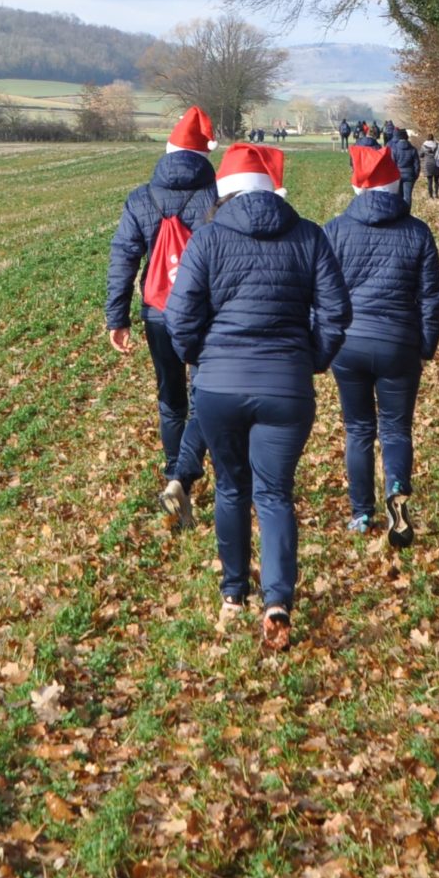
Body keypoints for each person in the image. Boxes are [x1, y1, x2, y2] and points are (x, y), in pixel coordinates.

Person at [166, 142, 350, 649]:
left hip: (219, 386)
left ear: (223, 191)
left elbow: (180, 318)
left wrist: (202, 359)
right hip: (287, 387)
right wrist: (312, 359)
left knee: (231, 489)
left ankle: (232, 595)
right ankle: (277, 600)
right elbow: (336, 313)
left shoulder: (206, 239)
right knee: (275, 494)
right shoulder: (309, 236)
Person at [322, 144, 439, 547]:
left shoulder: (336, 229)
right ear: (395, 185)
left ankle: (361, 513)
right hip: (399, 343)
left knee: (358, 430)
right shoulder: (417, 232)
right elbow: (431, 295)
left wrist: (323, 342)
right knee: (396, 428)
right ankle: (396, 488)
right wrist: (426, 344)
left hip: (348, 344)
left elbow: (321, 293)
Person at [106, 106, 220, 528]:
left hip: (158, 312)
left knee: (170, 399)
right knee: (205, 396)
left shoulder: (142, 197)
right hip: (207, 313)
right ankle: (191, 478)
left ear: (169, 150)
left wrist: (117, 317)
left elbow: (123, 257)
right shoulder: (216, 195)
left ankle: (175, 471)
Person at [387, 127, 420, 203]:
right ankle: (407, 212)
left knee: (398, 195)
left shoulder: (394, 149)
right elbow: (417, 164)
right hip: (409, 174)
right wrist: (415, 175)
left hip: (397, 175)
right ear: (406, 137)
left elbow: (392, 163)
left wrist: (391, 175)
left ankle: (399, 212)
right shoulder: (413, 149)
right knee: (407, 196)